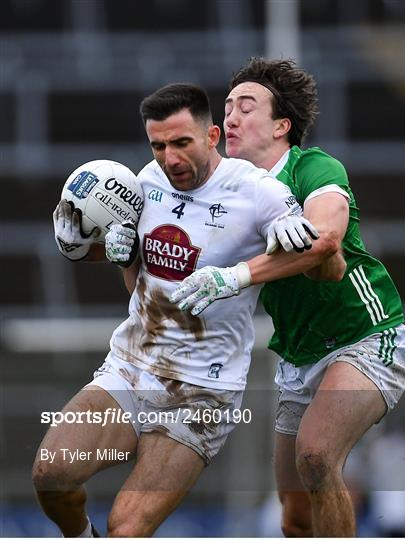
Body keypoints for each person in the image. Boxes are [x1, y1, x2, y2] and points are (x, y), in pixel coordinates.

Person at [33, 82, 319, 538]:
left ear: (211, 136)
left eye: (181, 143)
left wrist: (243, 269)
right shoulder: (143, 183)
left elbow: (316, 249)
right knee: (51, 477)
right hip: (131, 366)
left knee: (126, 528)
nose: (169, 158)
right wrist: (102, 249)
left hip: (202, 392)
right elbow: (134, 279)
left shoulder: (257, 191)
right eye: (158, 145)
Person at [170, 58, 405, 537]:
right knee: (295, 515)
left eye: (246, 107)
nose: (229, 118)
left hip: (365, 338)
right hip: (299, 356)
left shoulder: (314, 168)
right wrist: (122, 250)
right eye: (227, 108)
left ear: (282, 126)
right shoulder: (228, 192)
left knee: (317, 455)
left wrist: (235, 276)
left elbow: (325, 241)